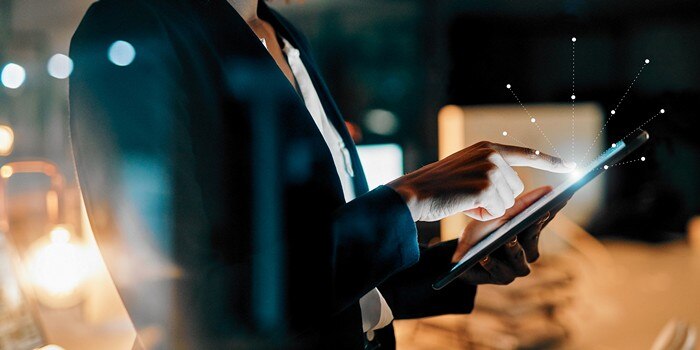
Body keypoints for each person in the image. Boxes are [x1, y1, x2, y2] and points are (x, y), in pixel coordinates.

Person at [69, 0, 574, 348]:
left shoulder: (283, 34)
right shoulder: (130, 27)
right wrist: (409, 199)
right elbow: (192, 317)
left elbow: (315, 271)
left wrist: (459, 261)